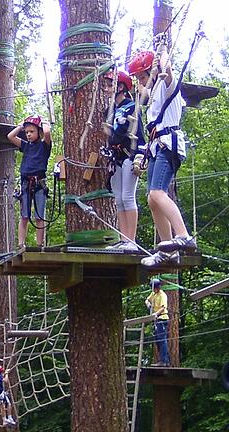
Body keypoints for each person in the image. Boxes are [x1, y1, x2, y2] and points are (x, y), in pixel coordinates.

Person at [127, 50, 196, 266]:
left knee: (157, 193)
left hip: (168, 144)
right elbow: (144, 91)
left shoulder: (167, 86)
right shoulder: (155, 93)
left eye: (143, 78)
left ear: (154, 72)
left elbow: (168, 70)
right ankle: (168, 250)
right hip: (157, 147)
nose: (141, 84)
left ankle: (183, 235)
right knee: (152, 199)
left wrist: (163, 51)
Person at [102, 70, 146, 252]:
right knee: (119, 199)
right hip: (116, 157)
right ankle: (123, 239)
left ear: (120, 87)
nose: (106, 88)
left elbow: (140, 134)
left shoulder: (131, 107)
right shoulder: (110, 110)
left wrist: (140, 156)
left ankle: (131, 241)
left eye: (110, 84)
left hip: (129, 154)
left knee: (128, 197)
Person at [7, 116, 52, 248]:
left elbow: (48, 133)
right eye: (27, 132)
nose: (28, 134)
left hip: (39, 183)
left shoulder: (44, 146)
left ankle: (39, 244)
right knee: (24, 215)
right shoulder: (26, 146)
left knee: (39, 217)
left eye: (32, 131)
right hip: (26, 184)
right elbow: (10, 136)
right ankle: (21, 244)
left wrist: (43, 121)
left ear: (39, 132)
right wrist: (21, 125)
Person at [145, 278, 170, 367]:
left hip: (162, 318)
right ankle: (164, 360)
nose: (154, 290)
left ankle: (164, 361)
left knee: (162, 340)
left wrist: (155, 314)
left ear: (158, 287)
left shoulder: (162, 295)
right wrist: (148, 303)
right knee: (158, 340)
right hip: (156, 320)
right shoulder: (153, 294)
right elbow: (147, 300)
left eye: (155, 288)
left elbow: (163, 308)